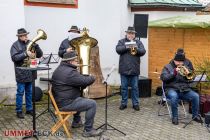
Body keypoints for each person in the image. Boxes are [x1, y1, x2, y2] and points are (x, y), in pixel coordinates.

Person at [51, 51, 101, 137]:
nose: (77, 62)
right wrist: (92, 77)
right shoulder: (69, 72)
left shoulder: (60, 69)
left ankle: (76, 122)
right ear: (70, 61)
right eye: (76, 60)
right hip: (65, 104)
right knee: (92, 104)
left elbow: (77, 81)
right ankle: (88, 130)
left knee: (79, 97)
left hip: (61, 101)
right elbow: (85, 81)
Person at [160, 49, 202, 125]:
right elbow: (164, 78)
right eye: (178, 62)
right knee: (174, 96)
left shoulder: (185, 67)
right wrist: (174, 73)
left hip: (183, 89)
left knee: (196, 96)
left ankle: (195, 116)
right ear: (174, 60)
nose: (180, 63)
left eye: (181, 62)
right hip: (170, 89)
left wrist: (188, 75)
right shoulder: (167, 67)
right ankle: (175, 117)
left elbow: (191, 78)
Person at [10, 28, 43, 119]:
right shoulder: (15, 46)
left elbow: (39, 55)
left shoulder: (30, 43)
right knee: (20, 93)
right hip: (21, 73)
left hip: (31, 72)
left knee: (29, 92)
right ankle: (19, 111)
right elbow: (14, 58)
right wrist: (25, 53)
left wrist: (37, 47)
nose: (26, 37)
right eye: (24, 35)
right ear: (20, 36)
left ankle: (29, 109)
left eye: (26, 35)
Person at [116, 26, 146, 111]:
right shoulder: (121, 41)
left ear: (134, 34)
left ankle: (135, 104)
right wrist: (127, 46)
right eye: (129, 33)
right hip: (124, 68)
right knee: (124, 88)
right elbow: (118, 49)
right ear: (126, 33)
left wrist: (135, 48)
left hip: (134, 69)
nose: (131, 35)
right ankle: (124, 103)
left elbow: (143, 51)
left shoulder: (138, 42)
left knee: (135, 88)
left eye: (132, 33)